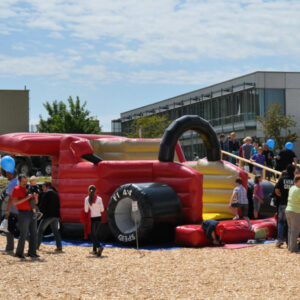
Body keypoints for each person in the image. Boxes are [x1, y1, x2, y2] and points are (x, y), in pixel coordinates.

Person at [12, 174, 39, 259]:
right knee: (24, 233)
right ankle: (19, 253)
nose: (25, 182)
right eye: (24, 181)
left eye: (26, 181)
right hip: (23, 213)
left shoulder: (29, 188)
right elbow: (15, 202)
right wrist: (27, 198)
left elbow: (36, 203)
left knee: (34, 233)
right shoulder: (16, 189)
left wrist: (36, 198)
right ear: (20, 181)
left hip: (32, 212)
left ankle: (32, 252)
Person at [37, 182, 62, 252]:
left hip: (48, 216)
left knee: (40, 230)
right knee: (55, 231)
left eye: (43, 187)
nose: (42, 188)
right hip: (56, 215)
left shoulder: (46, 194)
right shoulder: (56, 194)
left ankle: (36, 246)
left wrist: (39, 212)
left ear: (47, 187)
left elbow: (42, 206)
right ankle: (59, 246)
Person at [274, 165, 295, 248]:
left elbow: (276, 189)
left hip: (283, 203)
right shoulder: (295, 180)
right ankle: (289, 241)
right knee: (290, 224)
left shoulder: (282, 179)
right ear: (293, 171)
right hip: (292, 204)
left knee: (281, 222)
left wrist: (280, 195)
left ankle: (279, 240)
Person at [0, 171, 18, 253]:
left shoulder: (12, 183)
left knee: (8, 229)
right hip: (17, 209)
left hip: (11, 209)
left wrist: (7, 211)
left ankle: (9, 248)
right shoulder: (17, 181)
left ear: (12, 174)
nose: (6, 175)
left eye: (7, 174)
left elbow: (10, 198)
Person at [84, 185, 104, 257]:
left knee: (92, 234)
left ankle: (99, 246)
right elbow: (102, 210)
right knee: (95, 234)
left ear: (88, 190)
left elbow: (86, 210)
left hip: (92, 219)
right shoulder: (99, 199)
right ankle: (94, 250)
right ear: (95, 190)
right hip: (99, 218)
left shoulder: (87, 199)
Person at [285, 175, 300, 253]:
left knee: (290, 230)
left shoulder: (292, 188)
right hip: (295, 211)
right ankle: (294, 249)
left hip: (288, 210)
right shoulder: (298, 190)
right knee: (295, 231)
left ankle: (290, 247)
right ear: (298, 181)